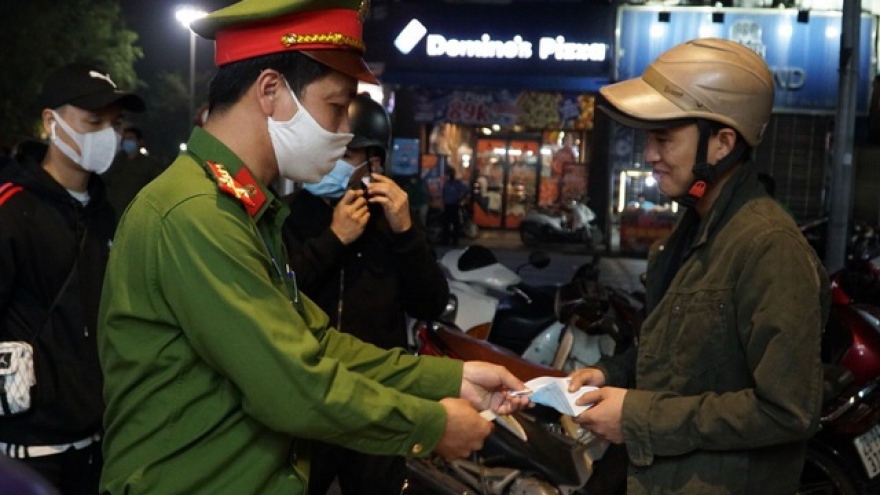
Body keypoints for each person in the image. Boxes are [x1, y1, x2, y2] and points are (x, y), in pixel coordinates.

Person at [96, 2, 529, 495]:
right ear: (271, 91)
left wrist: (449, 380)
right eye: (336, 107)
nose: (345, 130)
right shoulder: (197, 214)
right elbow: (290, 385)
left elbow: (317, 345)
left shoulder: (244, 210)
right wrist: (430, 424)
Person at [567, 38, 829, 494]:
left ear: (723, 142)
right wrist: (614, 374)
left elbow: (787, 410)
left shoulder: (769, 247)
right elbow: (686, 362)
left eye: (664, 138)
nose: (649, 154)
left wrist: (636, 416)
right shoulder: (692, 232)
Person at [281, 93, 450, 495]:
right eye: (332, 149)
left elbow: (431, 303)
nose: (337, 162)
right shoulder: (287, 215)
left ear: (374, 163)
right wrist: (333, 240)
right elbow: (276, 295)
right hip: (310, 393)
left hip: (378, 399)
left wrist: (407, 232)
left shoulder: (392, 222)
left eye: (350, 153)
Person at [0, 63, 144, 495]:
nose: (109, 134)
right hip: (28, 451)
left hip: (98, 442)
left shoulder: (106, 210)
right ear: (51, 122)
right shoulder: (12, 208)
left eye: (115, 124)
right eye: (94, 122)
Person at [101, 126, 164, 218]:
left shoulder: (149, 165)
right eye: (124, 139)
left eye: (130, 138)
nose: (126, 142)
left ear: (140, 142)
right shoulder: (117, 161)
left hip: (135, 214)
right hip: (113, 214)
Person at [441, 166, 468, 245]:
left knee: (455, 223)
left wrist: (460, 199)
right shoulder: (447, 183)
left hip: (454, 205)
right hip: (447, 205)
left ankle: (454, 240)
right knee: (446, 223)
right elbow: (444, 194)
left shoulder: (457, 183)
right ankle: (446, 239)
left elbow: (466, 190)